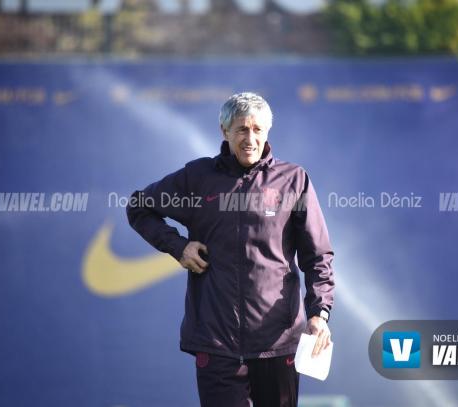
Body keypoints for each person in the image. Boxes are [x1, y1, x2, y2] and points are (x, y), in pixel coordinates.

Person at [126, 92, 335, 407]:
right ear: (224, 131)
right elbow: (139, 207)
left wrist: (319, 313)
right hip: (217, 344)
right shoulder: (197, 178)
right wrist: (178, 246)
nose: (250, 138)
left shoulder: (293, 180)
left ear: (267, 132)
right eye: (241, 129)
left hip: (277, 344)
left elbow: (317, 257)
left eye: (257, 130)